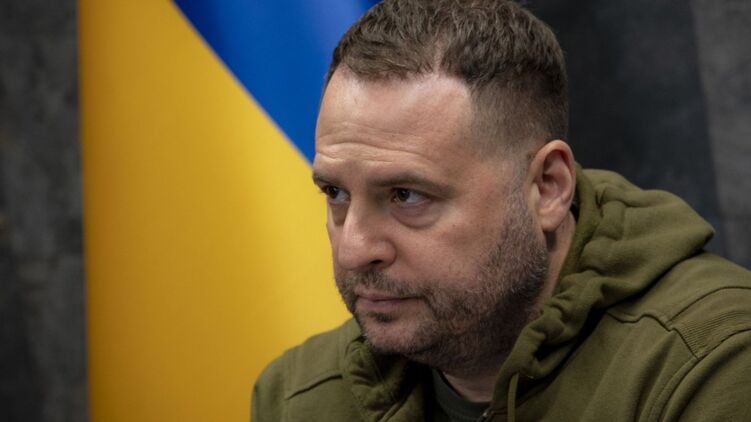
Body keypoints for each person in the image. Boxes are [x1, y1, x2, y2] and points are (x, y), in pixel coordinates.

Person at [252, 0, 751, 420]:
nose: (354, 249)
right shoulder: (296, 396)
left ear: (548, 188)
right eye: (335, 193)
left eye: (407, 195)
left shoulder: (713, 363)